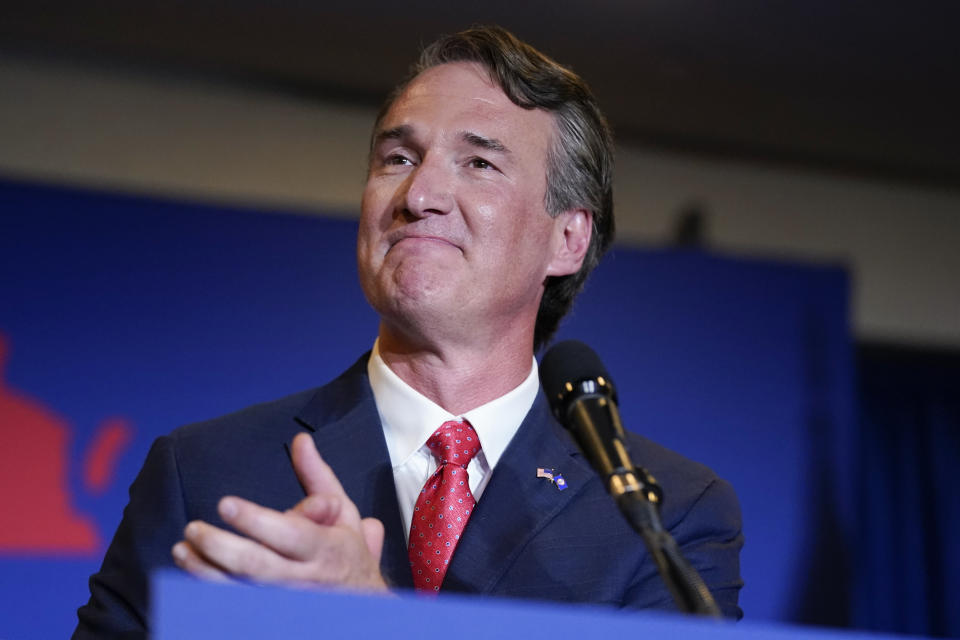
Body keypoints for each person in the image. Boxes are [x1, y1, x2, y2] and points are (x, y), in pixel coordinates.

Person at [74, 25, 743, 637]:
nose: (418, 195)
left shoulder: (665, 516)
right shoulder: (207, 473)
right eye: (397, 157)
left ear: (568, 238)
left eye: (479, 163)